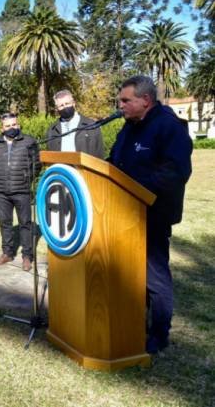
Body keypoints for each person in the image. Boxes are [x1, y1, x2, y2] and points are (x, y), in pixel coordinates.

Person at [109, 75, 192, 354]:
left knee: (154, 277)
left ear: (145, 100)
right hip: (122, 213)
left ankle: (158, 334)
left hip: (152, 214)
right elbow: (114, 163)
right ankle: (133, 322)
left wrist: (135, 188)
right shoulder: (128, 128)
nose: (120, 105)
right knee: (129, 273)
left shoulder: (169, 127)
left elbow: (176, 172)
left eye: (125, 100)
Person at [0, 113, 40, 272]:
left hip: (22, 190)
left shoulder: (29, 141)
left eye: (14, 125)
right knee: (5, 223)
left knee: (25, 223)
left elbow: (36, 164)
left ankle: (27, 256)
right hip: (2, 192)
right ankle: (7, 253)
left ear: (18, 125)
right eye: (8, 126)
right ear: (2, 128)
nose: (12, 128)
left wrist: (26, 178)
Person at [46, 90, 105, 158]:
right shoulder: (52, 130)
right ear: (57, 109)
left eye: (67, 103)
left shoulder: (91, 126)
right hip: (61, 168)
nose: (65, 107)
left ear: (73, 103)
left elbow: (99, 154)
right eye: (61, 105)